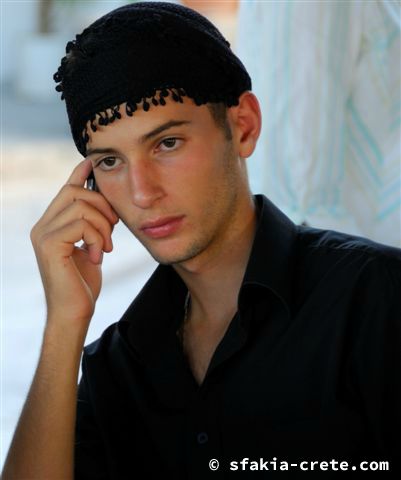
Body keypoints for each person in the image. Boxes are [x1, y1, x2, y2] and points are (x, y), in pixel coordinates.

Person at [2, 2, 401, 479]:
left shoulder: (376, 299)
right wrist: (64, 325)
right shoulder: (118, 366)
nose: (142, 193)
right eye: (110, 161)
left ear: (243, 126)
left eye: (166, 144)